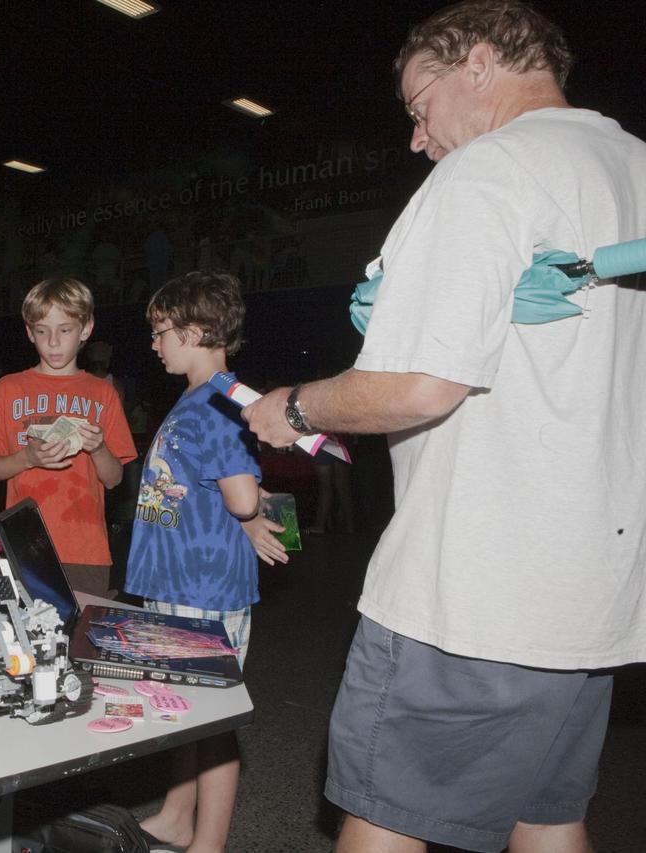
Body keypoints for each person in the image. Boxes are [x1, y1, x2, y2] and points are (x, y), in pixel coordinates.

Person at [243, 3, 646, 851]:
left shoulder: (489, 172)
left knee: (385, 821)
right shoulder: (631, 165)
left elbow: (424, 385)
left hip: (474, 585)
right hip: (590, 587)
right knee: (548, 815)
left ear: (478, 63)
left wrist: (297, 407)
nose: (418, 139)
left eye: (418, 106)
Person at [129, 271, 287, 852]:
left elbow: (241, 494)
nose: (154, 343)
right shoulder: (201, 396)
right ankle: (177, 815)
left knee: (212, 720)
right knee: (185, 706)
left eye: (160, 332)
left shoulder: (218, 401)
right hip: (180, 578)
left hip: (202, 586)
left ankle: (209, 844)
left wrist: (247, 516)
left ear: (194, 332)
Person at [0, 277, 136, 597]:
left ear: (86, 329)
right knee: (21, 644)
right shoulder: (6, 389)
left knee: (79, 643)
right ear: (29, 332)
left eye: (65, 330)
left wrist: (98, 448)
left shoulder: (102, 392)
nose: (53, 342)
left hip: (86, 548)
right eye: (42, 331)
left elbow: (114, 479)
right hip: (24, 546)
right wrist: (27, 458)